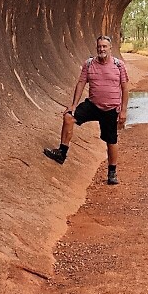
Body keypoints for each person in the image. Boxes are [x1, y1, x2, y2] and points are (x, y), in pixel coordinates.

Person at [44, 35, 129, 185]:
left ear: (110, 48)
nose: (101, 49)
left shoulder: (118, 65)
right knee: (69, 117)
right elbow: (81, 83)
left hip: (111, 108)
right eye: (99, 46)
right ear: (97, 48)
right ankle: (61, 153)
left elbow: (125, 88)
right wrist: (73, 105)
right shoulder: (89, 64)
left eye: (104, 46)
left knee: (111, 141)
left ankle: (112, 172)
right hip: (93, 105)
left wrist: (123, 111)